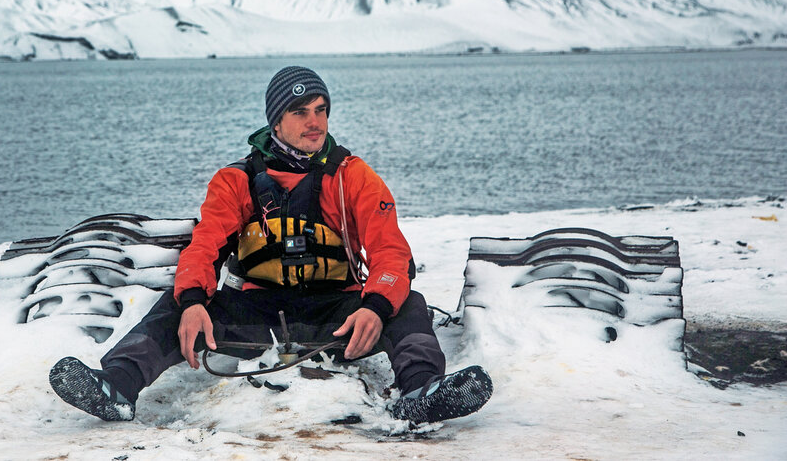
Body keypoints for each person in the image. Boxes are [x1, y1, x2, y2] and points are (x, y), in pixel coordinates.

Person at [49, 66, 491, 424]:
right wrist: (192, 302)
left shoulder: (352, 176)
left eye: (321, 110)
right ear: (275, 119)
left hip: (339, 317)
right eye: (300, 112)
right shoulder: (236, 180)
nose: (315, 122)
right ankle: (116, 385)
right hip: (255, 316)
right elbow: (204, 248)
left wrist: (374, 308)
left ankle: (419, 393)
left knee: (406, 301)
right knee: (176, 306)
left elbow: (392, 255)